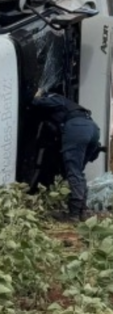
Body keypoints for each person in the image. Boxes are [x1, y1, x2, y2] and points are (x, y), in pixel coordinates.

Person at [31, 88, 103, 222]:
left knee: (73, 172)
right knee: (78, 172)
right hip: (93, 128)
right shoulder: (71, 105)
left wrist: (39, 93)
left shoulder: (56, 98)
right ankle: (83, 211)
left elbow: (37, 102)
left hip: (77, 128)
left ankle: (74, 215)